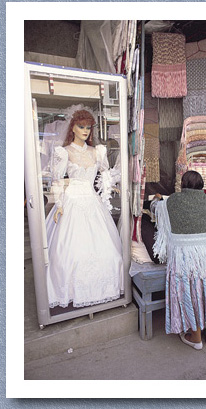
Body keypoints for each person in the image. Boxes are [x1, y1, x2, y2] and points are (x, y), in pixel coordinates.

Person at [153, 170, 206, 349]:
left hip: (189, 255)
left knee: (193, 292)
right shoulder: (205, 201)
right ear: (201, 186)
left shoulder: (174, 201)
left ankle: (195, 337)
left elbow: (159, 207)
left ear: (183, 184)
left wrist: (158, 198)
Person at [45, 109, 123, 308]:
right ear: (72, 127)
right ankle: (73, 292)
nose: (85, 130)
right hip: (72, 201)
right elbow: (58, 181)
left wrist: (111, 182)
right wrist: (60, 205)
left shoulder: (97, 151)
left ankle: (104, 289)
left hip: (92, 201)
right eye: (81, 126)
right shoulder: (64, 152)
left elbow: (106, 174)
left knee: (108, 253)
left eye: (88, 127)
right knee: (71, 254)